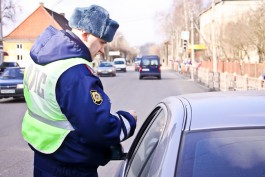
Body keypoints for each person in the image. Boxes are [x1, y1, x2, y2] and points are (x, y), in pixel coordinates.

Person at [21, 5, 137, 177]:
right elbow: (99, 128)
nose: (101, 50)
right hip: (70, 168)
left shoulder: (42, 59)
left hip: (44, 157)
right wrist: (128, 120)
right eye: (101, 42)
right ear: (85, 34)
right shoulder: (75, 73)